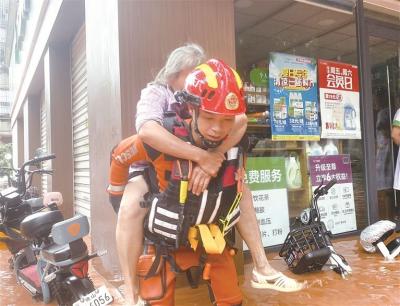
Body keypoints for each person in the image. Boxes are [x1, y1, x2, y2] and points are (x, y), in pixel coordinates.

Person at [109, 46, 302, 305]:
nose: (195, 81)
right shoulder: (156, 92)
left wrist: (216, 156)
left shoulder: (213, 103)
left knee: (242, 192)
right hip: (155, 166)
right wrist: (200, 157)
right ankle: (131, 292)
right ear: (173, 74)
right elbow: (147, 131)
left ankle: (261, 266)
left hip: (203, 160)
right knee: (131, 205)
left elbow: (240, 120)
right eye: (190, 75)